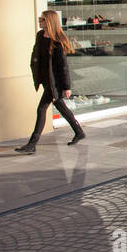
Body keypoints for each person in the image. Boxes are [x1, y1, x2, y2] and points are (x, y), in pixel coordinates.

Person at [16, 11, 85, 155]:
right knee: (61, 107)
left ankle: (32, 144)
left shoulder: (57, 42)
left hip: (55, 82)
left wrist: (66, 87)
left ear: (49, 22)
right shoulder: (40, 36)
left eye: (42, 20)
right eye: (39, 19)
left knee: (41, 109)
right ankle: (79, 132)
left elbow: (63, 66)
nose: (39, 22)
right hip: (45, 79)